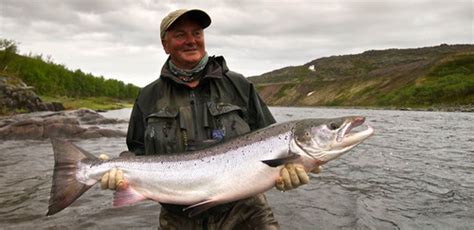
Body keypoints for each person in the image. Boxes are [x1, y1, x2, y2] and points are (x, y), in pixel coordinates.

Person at [100, 9, 317, 229]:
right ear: (165, 45)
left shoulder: (238, 85)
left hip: (246, 214)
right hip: (178, 219)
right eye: (180, 35)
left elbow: (272, 139)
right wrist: (117, 172)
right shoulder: (148, 97)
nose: (191, 41)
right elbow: (137, 153)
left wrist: (287, 171)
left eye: (197, 33)